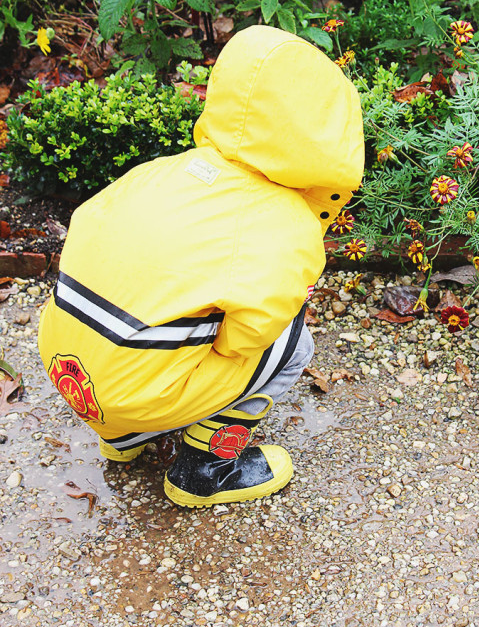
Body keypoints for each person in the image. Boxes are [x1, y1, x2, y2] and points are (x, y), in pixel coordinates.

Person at [37, 26, 364, 508]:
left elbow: (88, 232)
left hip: (71, 371)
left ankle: (124, 438)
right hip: (133, 391)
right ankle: (205, 469)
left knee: (162, 316)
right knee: (291, 342)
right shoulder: (282, 224)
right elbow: (247, 338)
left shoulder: (165, 171)